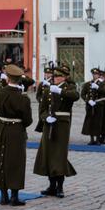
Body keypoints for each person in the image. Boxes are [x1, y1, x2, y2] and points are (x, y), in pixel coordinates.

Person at [34, 64, 79, 198]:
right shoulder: (48, 89)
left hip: (62, 124)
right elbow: (42, 109)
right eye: (54, 76)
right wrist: (45, 118)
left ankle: (60, 187)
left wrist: (60, 92)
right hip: (49, 123)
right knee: (48, 154)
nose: (55, 78)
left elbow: (75, 96)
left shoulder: (68, 88)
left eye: (58, 76)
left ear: (64, 77)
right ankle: (51, 185)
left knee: (59, 155)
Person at [0, 64, 33, 206]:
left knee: (1, 159)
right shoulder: (23, 99)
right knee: (16, 162)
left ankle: (3, 195)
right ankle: (14, 196)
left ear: (7, 78)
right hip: (16, 131)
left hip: (1, 128)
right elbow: (28, 121)